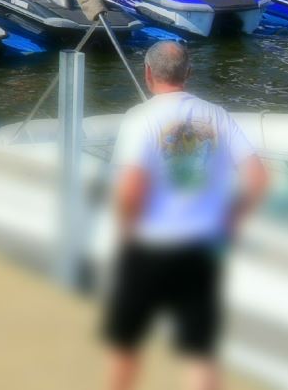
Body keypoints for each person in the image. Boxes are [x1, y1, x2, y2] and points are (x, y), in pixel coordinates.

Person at [102, 41, 268, 390]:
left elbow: (130, 190)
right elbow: (257, 178)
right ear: (188, 74)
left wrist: (126, 234)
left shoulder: (140, 119)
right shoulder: (217, 115)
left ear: (148, 74)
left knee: (127, 347)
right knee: (199, 352)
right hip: (202, 246)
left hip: (149, 245)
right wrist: (230, 221)